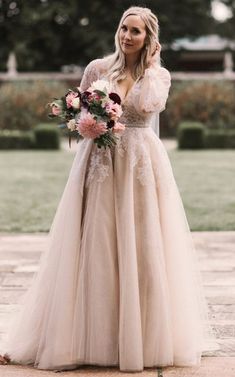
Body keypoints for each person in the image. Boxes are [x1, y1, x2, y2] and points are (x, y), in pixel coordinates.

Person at [0, 6, 216, 373]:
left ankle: (141, 337)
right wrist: (88, 122)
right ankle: (89, 336)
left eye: (135, 31)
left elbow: (149, 107)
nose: (126, 36)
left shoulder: (158, 75)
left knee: (142, 242)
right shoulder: (97, 69)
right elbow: (79, 113)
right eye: (123, 28)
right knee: (96, 240)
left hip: (140, 162)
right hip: (99, 161)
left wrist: (148, 67)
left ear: (148, 38)